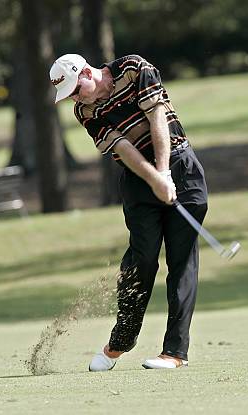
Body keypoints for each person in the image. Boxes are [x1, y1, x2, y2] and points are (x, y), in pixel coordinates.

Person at [50, 53, 208, 370]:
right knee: (142, 258)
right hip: (138, 180)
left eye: (74, 90)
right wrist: (155, 179)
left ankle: (175, 353)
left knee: (181, 261)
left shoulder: (134, 68)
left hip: (181, 165)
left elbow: (157, 117)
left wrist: (164, 173)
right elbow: (123, 148)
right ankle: (120, 343)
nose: (74, 100)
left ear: (85, 73)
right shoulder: (85, 111)